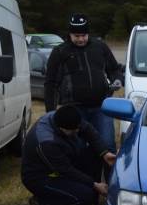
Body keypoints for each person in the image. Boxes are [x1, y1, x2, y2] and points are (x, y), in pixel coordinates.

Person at [21, 105, 116, 205]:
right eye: (74, 130)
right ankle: (41, 203)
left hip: (63, 163)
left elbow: (89, 130)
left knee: (95, 153)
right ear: (62, 128)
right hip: (39, 176)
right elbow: (66, 170)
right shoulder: (47, 141)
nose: (77, 131)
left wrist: (104, 153)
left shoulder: (66, 118)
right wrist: (95, 185)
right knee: (85, 195)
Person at [44, 13, 122, 153]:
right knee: (78, 149)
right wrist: (51, 112)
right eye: (77, 36)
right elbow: (50, 83)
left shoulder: (100, 47)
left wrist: (117, 80)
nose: (81, 39)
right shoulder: (60, 52)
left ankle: (109, 174)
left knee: (108, 145)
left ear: (88, 33)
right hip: (74, 109)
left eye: (84, 35)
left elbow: (114, 69)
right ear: (70, 34)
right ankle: (84, 174)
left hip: (101, 107)